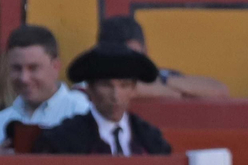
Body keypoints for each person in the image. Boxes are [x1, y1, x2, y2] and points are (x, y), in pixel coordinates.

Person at [32, 43, 173, 156]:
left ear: (133, 90)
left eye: (124, 85)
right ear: (90, 89)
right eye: (106, 86)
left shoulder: (151, 139)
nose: (115, 96)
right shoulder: (64, 138)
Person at [0, 24, 93, 153]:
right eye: (17, 68)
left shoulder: (83, 113)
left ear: (56, 66)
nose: (24, 78)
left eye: (33, 68)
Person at [97, 15, 229, 100]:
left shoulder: (162, 77)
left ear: (145, 52)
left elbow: (220, 90)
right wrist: (171, 91)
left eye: (135, 54)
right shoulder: (94, 81)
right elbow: (131, 90)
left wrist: (163, 81)